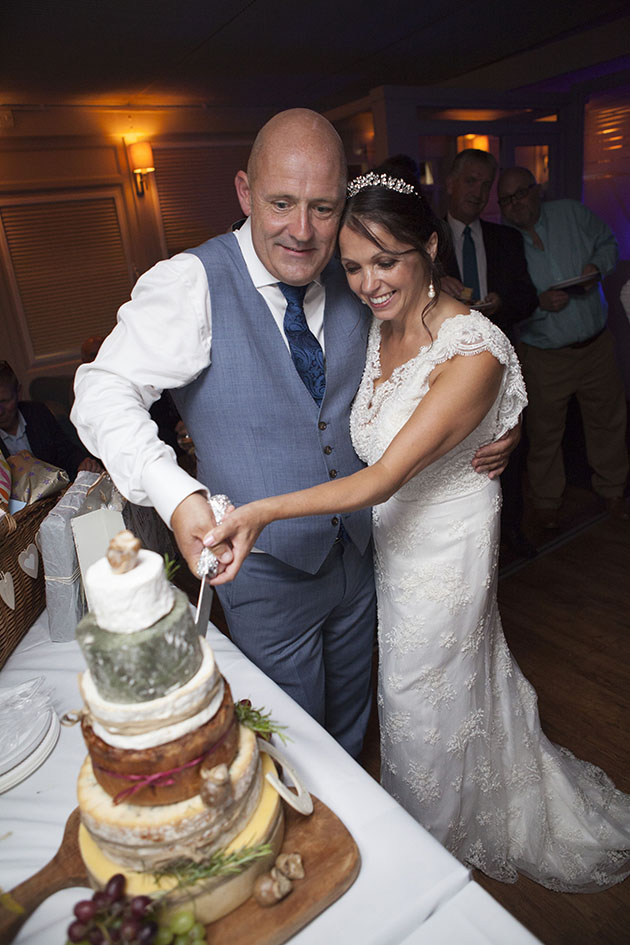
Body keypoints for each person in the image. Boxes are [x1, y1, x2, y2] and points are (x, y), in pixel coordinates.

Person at [205, 173, 630, 892]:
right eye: (354, 266)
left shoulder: (474, 348)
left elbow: (385, 475)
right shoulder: (380, 320)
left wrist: (258, 510)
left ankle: (421, 862)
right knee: (430, 686)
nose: (369, 283)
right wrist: (507, 422)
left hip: (449, 543)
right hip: (396, 545)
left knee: (417, 691)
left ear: (428, 248)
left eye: (387, 260)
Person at [72, 109, 515, 759]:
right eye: (281, 203)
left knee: (353, 721)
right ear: (245, 192)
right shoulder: (191, 283)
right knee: (292, 743)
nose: (303, 232)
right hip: (264, 575)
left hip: (362, 557)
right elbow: (100, 389)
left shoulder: (362, 268)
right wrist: (175, 491)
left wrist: (498, 417)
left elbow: (450, 335)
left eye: (324, 208)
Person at [497, 167, 629, 526]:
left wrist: (595, 266)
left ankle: (613, 491)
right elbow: (510, 303)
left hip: (596, 345)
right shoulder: (505, 242)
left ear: (537, 190)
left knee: (608, 423)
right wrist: (539, 303)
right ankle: (546, 501)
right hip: (544, 355)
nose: (516, 204)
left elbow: (609, 242)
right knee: (543, 433)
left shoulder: (572, 213)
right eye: (506, 200)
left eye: (521, 193)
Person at [442, 149, 539, 557]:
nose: (478, 193)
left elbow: (527, 298)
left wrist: (502, 303)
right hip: (446, 369)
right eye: (471, 181)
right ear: (450, 183)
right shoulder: (425, 239)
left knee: (509, 446)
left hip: (499, 365)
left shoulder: (506, 239)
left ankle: (511, 529)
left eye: (486, 186)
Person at [0, 361, 100, 478]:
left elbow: (66, 452)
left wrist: (82, 463)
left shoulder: (37, 413)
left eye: (4, 401)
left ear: (19, 393)